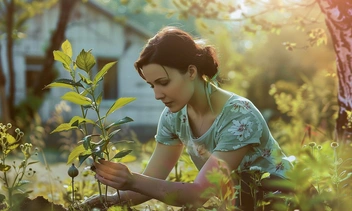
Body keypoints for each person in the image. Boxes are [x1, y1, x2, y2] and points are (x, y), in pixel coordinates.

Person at [84, 26, 293, 210]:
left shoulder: (240, 116)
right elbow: (152, 182)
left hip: (280, 200)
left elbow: (199, 194)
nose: (157, 94)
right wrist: (111, 199)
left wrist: (131, 180)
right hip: (236, 203)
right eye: (152, 85)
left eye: (163, 82)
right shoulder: (174, 117)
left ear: (191, 72)